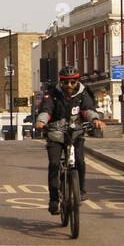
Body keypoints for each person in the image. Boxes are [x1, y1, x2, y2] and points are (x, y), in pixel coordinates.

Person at [33, 66, 104, 214]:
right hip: (56, 134)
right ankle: (53, 199)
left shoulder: (83, 93)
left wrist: (95, 119)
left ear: (77, 81)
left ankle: (81, 190)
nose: (69, 86)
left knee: (80, 160)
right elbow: (47, 109)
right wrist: (41, 121)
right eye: (65, 82)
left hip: (75, 133)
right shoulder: (52, 93)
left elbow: (88, 109)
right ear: (61, 82)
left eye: (72, 82)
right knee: (53, 164)